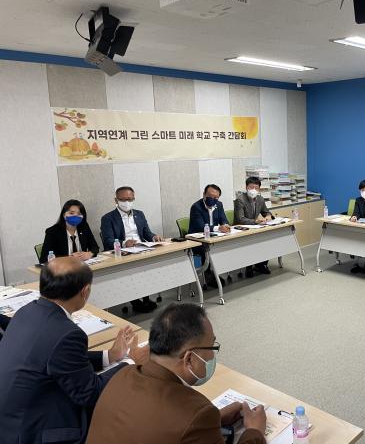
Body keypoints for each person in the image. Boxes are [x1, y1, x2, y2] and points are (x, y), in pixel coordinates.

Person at [0, 257, 148, 444]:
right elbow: (89, 394)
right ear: (85, 291)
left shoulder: (27, 311)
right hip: (32, 432)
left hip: (12, 420)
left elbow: (59, 358)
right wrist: (131, 361)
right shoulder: (67, 333)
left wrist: (109, 356)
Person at [86, 303, 267, 444]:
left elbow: (156, 426)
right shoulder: (198, 412)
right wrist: (254, 431)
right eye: (212, 347)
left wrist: (215, 420)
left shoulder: (121, 376)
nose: (212, 356)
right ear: (189, 359)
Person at [100, 186, 163, 313]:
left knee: (150, 266)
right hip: (122, 252)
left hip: (140, 249)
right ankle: (134, 301)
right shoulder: (108, 218)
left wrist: (154, 237)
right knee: (132, 270)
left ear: (134, 199)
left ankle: (146, 298)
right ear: (116, 200)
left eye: (130, 199)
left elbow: (146, 233)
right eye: (123, 199)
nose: (127, 202)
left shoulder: (139, 214)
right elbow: (108, 240)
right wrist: (124, 243)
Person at [189, 184, 231, 288]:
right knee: (206, 249)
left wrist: (225, 225)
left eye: (216, 197)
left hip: (214, 237)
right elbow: (200, 226)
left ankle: (217, 270)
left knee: (228, 246)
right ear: (204, 194)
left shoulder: (219, 205)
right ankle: (208, 274)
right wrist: (218, 228)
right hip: (198, 241)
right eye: (210, 196)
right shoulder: (196, 207)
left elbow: (223, 219)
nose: (213, 199)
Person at [234, 177, 272, 278]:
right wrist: (256, 221)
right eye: (251, 187)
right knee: (251, 242)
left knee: (267, 239)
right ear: (246, 187)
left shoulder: (260, 199)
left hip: (254, 228)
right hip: (241, 229)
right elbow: (240, 219)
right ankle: (249, 266)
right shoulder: (240, 200)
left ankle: (261, 265)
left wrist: (268, 216)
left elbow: (266, 212)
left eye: (256, 188)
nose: (254, 190)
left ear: (259, 189)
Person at [40, 199, 100, 263]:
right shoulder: (52, 231)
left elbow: (95, 247)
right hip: (63, 266)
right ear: (64, 215)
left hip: (82, 265)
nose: (75, 216)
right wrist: (69, 258)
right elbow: (44, 259)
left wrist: (89, 254)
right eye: (71, 213)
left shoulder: (84, 227)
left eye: (79, 213)